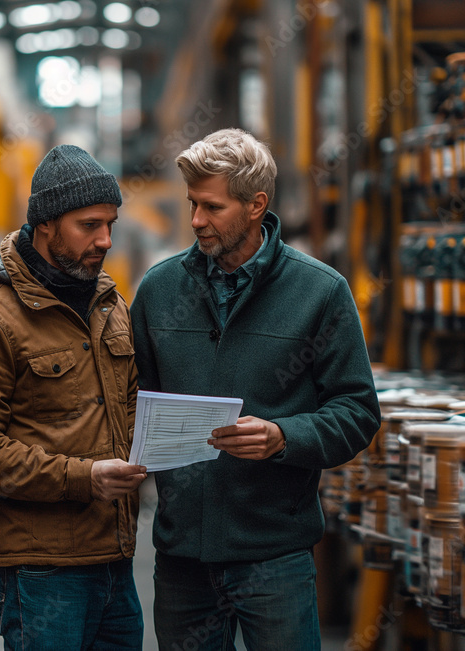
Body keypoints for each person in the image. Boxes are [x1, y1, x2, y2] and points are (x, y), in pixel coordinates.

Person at [130, 128, 381, 650]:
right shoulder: (159, 292)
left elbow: (357, 411)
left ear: (255, 205)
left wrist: (283, 436)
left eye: (212, 207)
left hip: (274, 557)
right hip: (183, 559)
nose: (196, 220)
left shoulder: (320, 293)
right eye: (192, 204)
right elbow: (131, 404)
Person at [0, 144, 148, 651]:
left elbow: (131, 402)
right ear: (46, 224)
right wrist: (84, 478)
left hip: (117, 561)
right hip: (43, 572)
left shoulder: (108, 303)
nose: (105, 240)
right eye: (89, 225)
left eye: (110, 225)